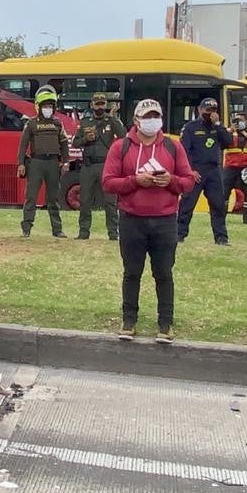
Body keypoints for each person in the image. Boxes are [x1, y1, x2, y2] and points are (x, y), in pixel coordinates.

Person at [102, 99, 195, 344]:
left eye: (156, 116)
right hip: (131, 219)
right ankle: (128, 320)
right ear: (136, 120)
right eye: (147, 116)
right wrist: (134, 181)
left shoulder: (173, 147)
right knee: (131, 272)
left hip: (165, 221)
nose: (152, 120)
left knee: (164, 273)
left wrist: (171, 181)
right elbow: (108, 182)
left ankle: (165, 324)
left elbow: (188, 181)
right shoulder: (120, 147)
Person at [176, 97, 232, 245]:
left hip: (214, 170)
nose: (211, 113)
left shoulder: (218, 127)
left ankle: (221, 237)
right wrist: (189, 170)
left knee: (218, 205)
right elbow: (184, 151)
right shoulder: (190, 128)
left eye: (214, 111)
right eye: (208, 110)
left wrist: (218, 124)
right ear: (200, 110)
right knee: (187, 204)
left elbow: (228, 142)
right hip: (196, 170)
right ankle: (179, 234)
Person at [72, 92, 126, 240]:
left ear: (106, 105)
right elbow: (75, 143)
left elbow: (123, 136)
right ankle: (84, 231)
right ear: (92, 105)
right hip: (88, 165)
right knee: (85, 199)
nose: (100, 107)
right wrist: (85, 139)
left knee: (110, 200)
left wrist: (114, 118)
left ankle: (113, 232)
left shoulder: (110, 121)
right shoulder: (85, 122)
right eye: (97, 104)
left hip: (105, 165)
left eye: (102, 104)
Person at [18, 84, 69, 237]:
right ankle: (26, 229)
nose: (48, 108)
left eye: (50, 106)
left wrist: (65, 161)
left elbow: (64, 143)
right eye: (45, 106)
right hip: (36, 163)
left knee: (53, 198)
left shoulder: (58, 123)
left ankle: (57, 230)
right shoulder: (31, 123)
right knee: (31, 197)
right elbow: (23, 144)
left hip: (53, 163)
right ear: (39, 107)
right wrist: (20, 163)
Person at [221, 111, 247, 226]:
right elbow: (221, 143)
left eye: (240, 120)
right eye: (236, 120)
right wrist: (230, 131)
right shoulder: (229, 132)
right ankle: (221, 216)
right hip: (231, 166)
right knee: (224, 192)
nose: (238, 122)